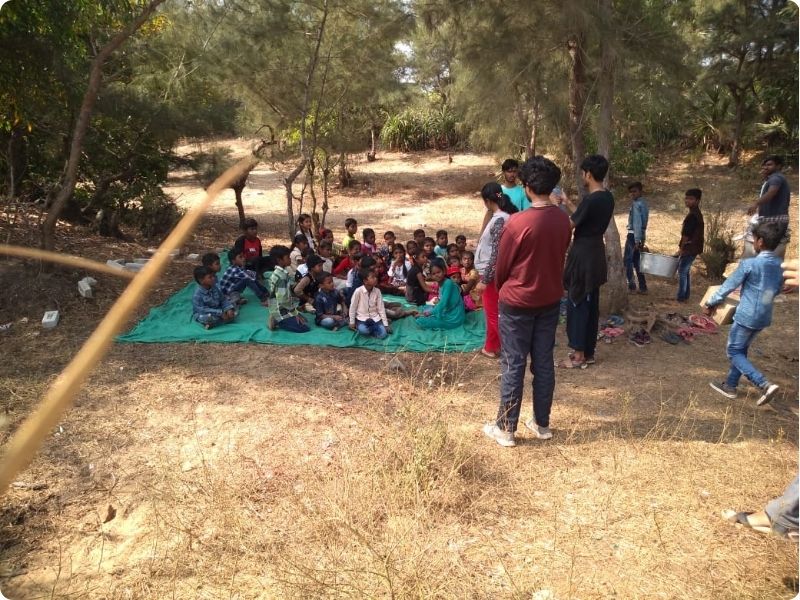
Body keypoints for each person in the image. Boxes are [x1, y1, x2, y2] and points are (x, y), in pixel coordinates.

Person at [482, 156, 572, 447]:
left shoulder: (518, 223)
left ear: (527, 187)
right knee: (543, 362)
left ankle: (506, 428)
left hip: (517, 302)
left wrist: (507, 286)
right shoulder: (563, 220)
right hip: (549, 300)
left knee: (513, 363)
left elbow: (502, 268)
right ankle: (541, 423)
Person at [705, 222, 784, 405]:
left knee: (733, 351)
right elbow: (777, 289)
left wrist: (711, 302)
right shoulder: (780, 265)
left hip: (747, 315)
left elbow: (729, 285)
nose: (754, 243)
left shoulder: (750, 264)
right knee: (741, 349)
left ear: (761, 241)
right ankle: (730, 386)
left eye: (754, 240)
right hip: (764, 316)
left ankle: (763, 383)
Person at [559, 155, 615, 369]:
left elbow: (570, 225)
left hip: (583, 254)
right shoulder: (607, 197)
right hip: (596, 253)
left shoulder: (591, 200)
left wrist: (554, 211)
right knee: (591, 304)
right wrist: (567, 202)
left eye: (583, 173)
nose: (582, 176)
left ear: (588, 174)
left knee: (578, 300)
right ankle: (589, 351)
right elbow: (585, 216)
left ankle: (578, 354)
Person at [474, 182, 517, 359]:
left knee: (492, 312)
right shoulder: (505, 217)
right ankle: (492, 346)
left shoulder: (500, 219)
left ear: (486, 201)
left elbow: (496, 253)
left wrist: (485, 280)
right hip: (492, 271)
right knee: (492, 311)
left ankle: (500, 348)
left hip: (491, 273)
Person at [748, 155, 791, 258]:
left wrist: (756, 203)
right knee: (763, 249)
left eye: (769, 165)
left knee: (764, 250)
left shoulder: (776, 177)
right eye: (764, 166)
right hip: (772, 219)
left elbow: (772, 192)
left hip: (774, 220)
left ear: (779, 166)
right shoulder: (773, 179)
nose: (766, 167)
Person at [266, 245, 310, 333]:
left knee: (305, 321)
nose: (290, 259)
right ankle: (277, 320)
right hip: (281, 310)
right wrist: (295, 313)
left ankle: (281, 318)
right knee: (304, 328)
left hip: (283, 307)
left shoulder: (280, 273)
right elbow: (283, 299)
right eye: (287, 257)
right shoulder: (281, 277)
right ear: (279, 260)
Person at [416, 258, 465, 330]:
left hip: (453, 318)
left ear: (444, 271)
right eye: (433, 274)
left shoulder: (448, 283)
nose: (436, 275)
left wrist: (429, 313)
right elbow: (443, 300)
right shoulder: (440, 283)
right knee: (426, 308)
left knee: (420, 320)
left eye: (438, 272)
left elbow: (443, 303)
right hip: (448, 311)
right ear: (431, 275)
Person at [677, 188, 704, 303]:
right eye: (686, 198)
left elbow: (686, 235)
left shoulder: (693, 216)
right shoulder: (695, 213)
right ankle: (685, 295)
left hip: (690, 247)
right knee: (685, 271)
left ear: (697, 201)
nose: (687, 201)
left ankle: (681, 296)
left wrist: (681, 249)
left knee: (682, 271)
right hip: (694, 247)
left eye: (691, 199)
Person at [349, 270, 391, 339]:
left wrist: (385, 324)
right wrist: (352, 322)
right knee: (364, 331)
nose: (376, 279)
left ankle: (375, 327)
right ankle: (360, 325)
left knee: (383, 335)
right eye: (372, 277)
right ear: (365, 281)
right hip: (362, 318)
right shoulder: (358, 291)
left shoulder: (377, 291)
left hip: (375, 318)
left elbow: (381, 308)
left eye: (375, 277)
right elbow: (353, 307)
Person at [624, 181, 649, 294]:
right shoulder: (643, 203)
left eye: (635, 191)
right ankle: (643, 287)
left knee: (628, 260)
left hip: (634, 235)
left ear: (640, 191)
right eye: (630, 192)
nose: (632, 194)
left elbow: (637, 223)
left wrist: (637, 240)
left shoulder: (636, 204)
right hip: (640, 234)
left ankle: (631, 285)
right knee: (637, 261)